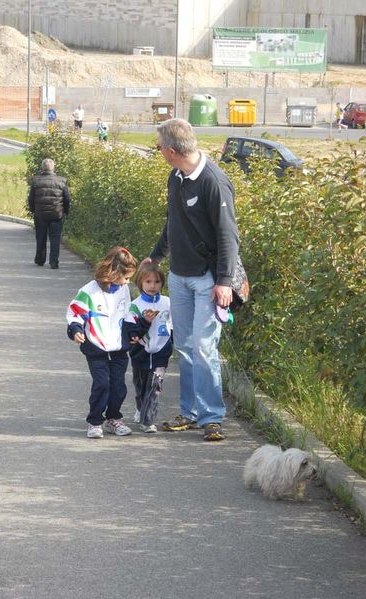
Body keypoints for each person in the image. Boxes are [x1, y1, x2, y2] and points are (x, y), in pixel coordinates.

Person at [146, 118, 240, 442]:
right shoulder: (176, 177)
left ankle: (212, 417)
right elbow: (173, 221)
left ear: (171, 151)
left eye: (159, 147)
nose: (158, 151)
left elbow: (229, 235)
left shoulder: (213, 182)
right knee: (184, 348)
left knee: (203, 347)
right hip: (179, 277)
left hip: (208, 280)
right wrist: (156, 255)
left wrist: (225, 281)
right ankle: (189, 412)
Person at [66, 247, 157, 439]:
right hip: (96, 348)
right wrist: (76, 330)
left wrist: (134, 332)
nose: (127, 282)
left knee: (118, 386)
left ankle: (114, 418)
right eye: (125, 278)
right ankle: (95, 421)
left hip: (118, 349)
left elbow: (127, 315)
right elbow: (75, 313)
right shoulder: (89, 291)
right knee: (101, 384)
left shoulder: (123, 291)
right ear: (113, 273)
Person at [123, 262, 172, 433]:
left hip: (161, 351)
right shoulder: (134, 306)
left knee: (155, 386)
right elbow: (131, 330)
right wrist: (143, 324)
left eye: (157, 282)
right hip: (140, 353)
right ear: (140, 283)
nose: (152, 286)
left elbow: (177, 323)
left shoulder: (167, 303)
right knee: (141, 386)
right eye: (148, 282)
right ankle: (140, 408)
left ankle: (147, 420)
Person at [28, 158, 70, 269]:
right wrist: (66, 211)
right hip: (57, 214)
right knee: (55, 238)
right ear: (53, 168)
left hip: (40, 214)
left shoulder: (36, 181)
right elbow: (66, 199)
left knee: (40, 237)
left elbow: (31, 198)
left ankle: (40, 259)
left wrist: (33, 210)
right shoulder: (62, 181)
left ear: (42, 168)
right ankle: (54, 262)